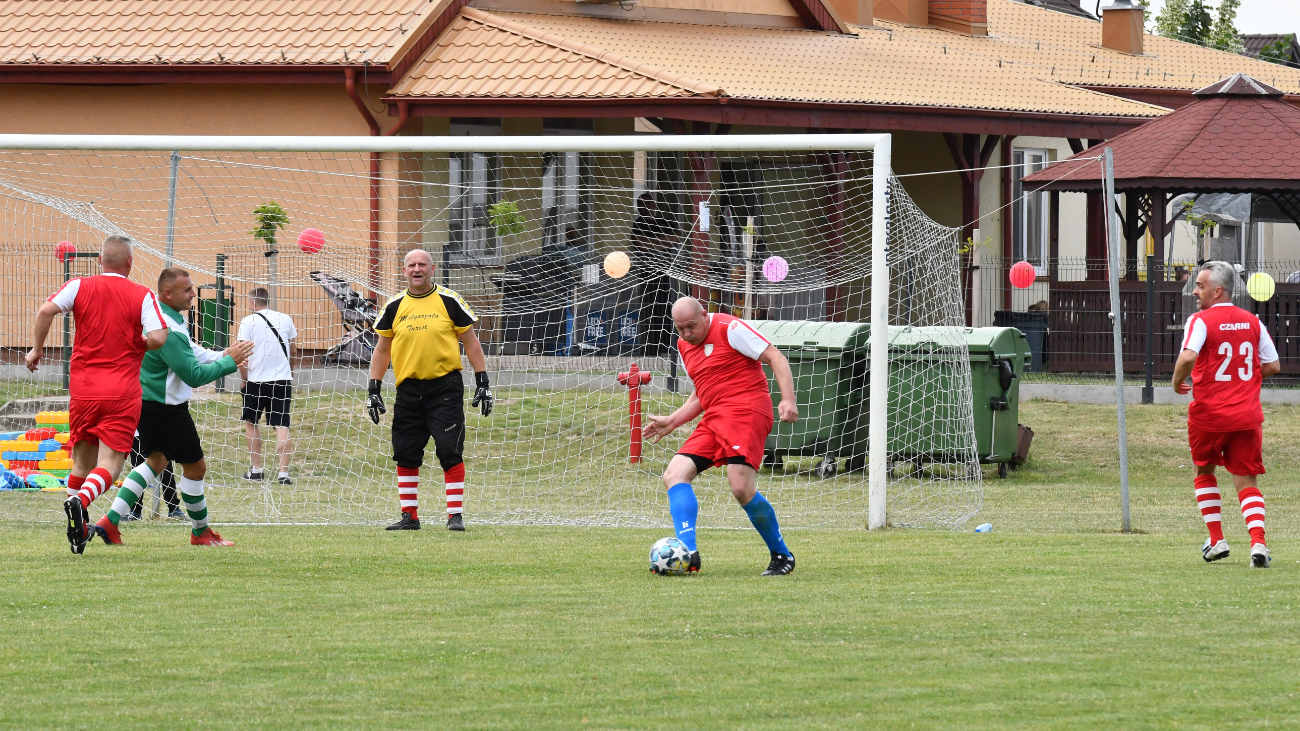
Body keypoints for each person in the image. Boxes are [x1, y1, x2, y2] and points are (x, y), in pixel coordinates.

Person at [25, 235, 169, 554]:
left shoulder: (79, 285)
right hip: (121, 391)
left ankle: (75, 535)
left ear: (101, 260)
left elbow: (45, 310)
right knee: (112, 463)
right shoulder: (142, 294)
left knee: (82, 462)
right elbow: (159, 337)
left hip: (84, 390)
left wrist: (36, 350)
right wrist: (137, 345)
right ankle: (81, 502)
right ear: (129, 262)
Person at [93, 268, 253, 547]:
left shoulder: (161, 318)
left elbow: (191, 351)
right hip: (166, 410)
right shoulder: (169, 330)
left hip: (148, 404)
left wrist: (223, 355)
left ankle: (109, 522)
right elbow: (193, 375)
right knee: (196, 468)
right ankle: (201, 532)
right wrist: (229, 363)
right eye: (187, 290)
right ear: (169, 293)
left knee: (156, 461)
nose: (193, 294)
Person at [643, 297, 799, 576]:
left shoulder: (730, 328)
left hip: (747, 411)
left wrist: (788, 400)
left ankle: (782, 555)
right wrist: (672, 421)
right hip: (716, 415)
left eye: (691, 326)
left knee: (740, 487)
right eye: (681, 329)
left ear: (704, 315)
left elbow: (776, 357)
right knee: (674, 474)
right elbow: (703, 393)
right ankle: (689, 554)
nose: (687, 334)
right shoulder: (684, 346)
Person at [367, 249, 494, 532]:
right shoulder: (394, 306)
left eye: (422, 264)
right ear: (404, 271)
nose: (416, 269)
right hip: (408, 389)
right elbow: (382, 349)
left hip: (445, 387)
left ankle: (455, 516)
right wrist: (373, 388)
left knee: (449, 449)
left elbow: (471, 343)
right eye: (411, 265)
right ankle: (409, 517)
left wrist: (482, 380)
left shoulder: (450, 301)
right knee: (405, 451)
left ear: (432, 268)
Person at [1172, 261, 1281, 568]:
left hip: (1209, 415)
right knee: (1247, 479)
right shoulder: (1252, 321)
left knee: (1204, 472)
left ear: (1217, 291)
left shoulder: (1199, 320)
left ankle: (1217, 539)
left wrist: (1177, 381)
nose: (1195, 291)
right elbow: (1272, 366)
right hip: (1247, 416)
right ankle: (1258, 544)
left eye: (1201, 286)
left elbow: (1189, 356)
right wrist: (1241, 377)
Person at [237, 287, 298, 485]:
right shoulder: (285, 318)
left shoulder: (248, 321)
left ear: (253, 303)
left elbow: (242, 354)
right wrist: (290, 371)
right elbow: (294, 349)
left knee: (251, 422)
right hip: (281, 380)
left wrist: (243, 379)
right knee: (282, 424)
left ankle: (257, 470)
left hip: (255, 381)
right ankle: (283, 473)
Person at [123, 433, 182, 521]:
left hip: (160, 430)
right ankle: (135, 511)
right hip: (138, 431)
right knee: (137, 468)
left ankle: (174, 509)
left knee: (166, 467)